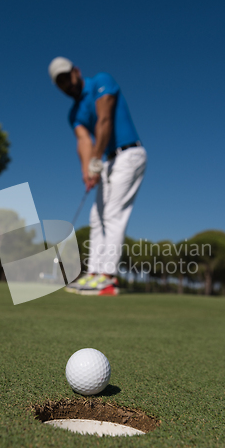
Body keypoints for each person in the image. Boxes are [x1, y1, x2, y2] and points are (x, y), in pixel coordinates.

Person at [48, 57, 147, 296]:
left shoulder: (101, 81)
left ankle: (108, 278)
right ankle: (93, 273)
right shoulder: (74, 114)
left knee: (112, 213)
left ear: (76, 71)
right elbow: (83, 141)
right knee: (96, 217)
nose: (66, 85)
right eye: (60, 83)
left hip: (129, 154)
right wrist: (87, 172)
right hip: (108, 162)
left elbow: (104, 120)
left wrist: (95, 161)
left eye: (66, 77)